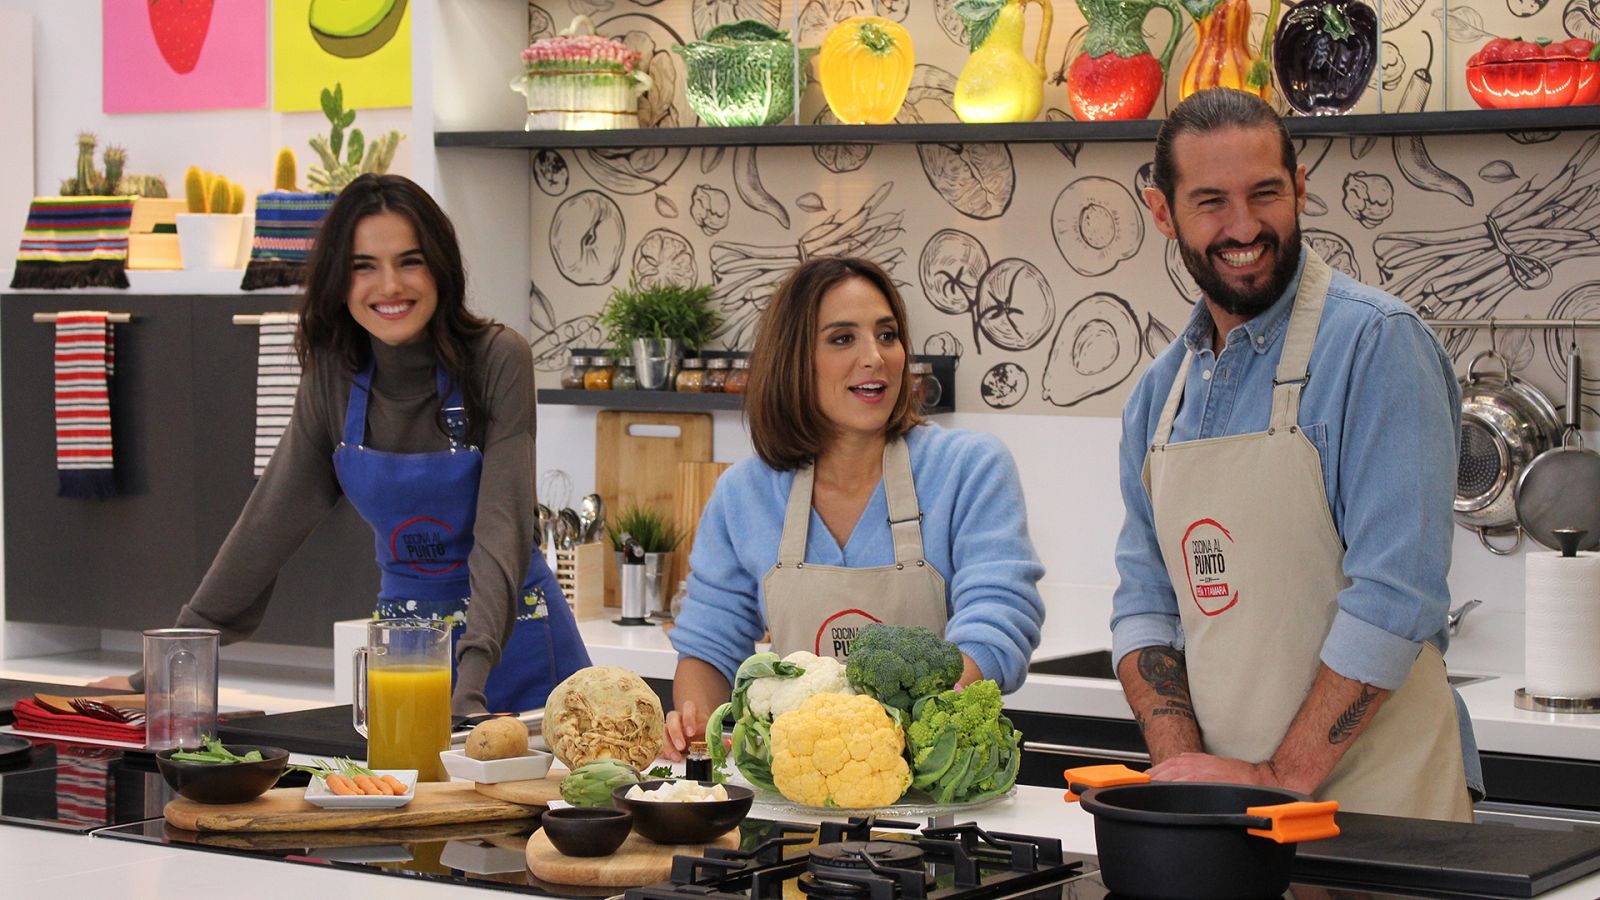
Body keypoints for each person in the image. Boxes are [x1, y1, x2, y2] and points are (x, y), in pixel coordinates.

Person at [93, 174, 590, 716]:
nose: (389, 285)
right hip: (407, 657)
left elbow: (503, 531)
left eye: (410, 261)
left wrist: (470, 685)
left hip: (519, 654)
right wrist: (161, 668)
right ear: (339, 279)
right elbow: (265, 528)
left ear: (442, 268)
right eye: (363, 267)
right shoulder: (332, 375)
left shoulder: (497, 358)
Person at [1111, 88, 1479, 821]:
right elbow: (1146, 603)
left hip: (1380, 812)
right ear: (1164, 213)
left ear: (1301, 188)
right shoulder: (1159, 396)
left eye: (1266, 193)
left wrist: (1280, 775)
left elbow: (1398, 595)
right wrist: (1191, 775)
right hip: (1235, 817)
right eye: (1211, 201)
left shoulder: (1376, 345)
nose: (1244, 226)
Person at [661, 256, 1045, 759]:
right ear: (794, 360)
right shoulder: (745, 493)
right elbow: (709, 649)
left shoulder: (968, 468)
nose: (875, 357)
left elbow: (999, 619)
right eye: (843, 339)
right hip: (796, 791)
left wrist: (900, 740)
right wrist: (695, 732)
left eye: (887, 335)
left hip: (939, 794)